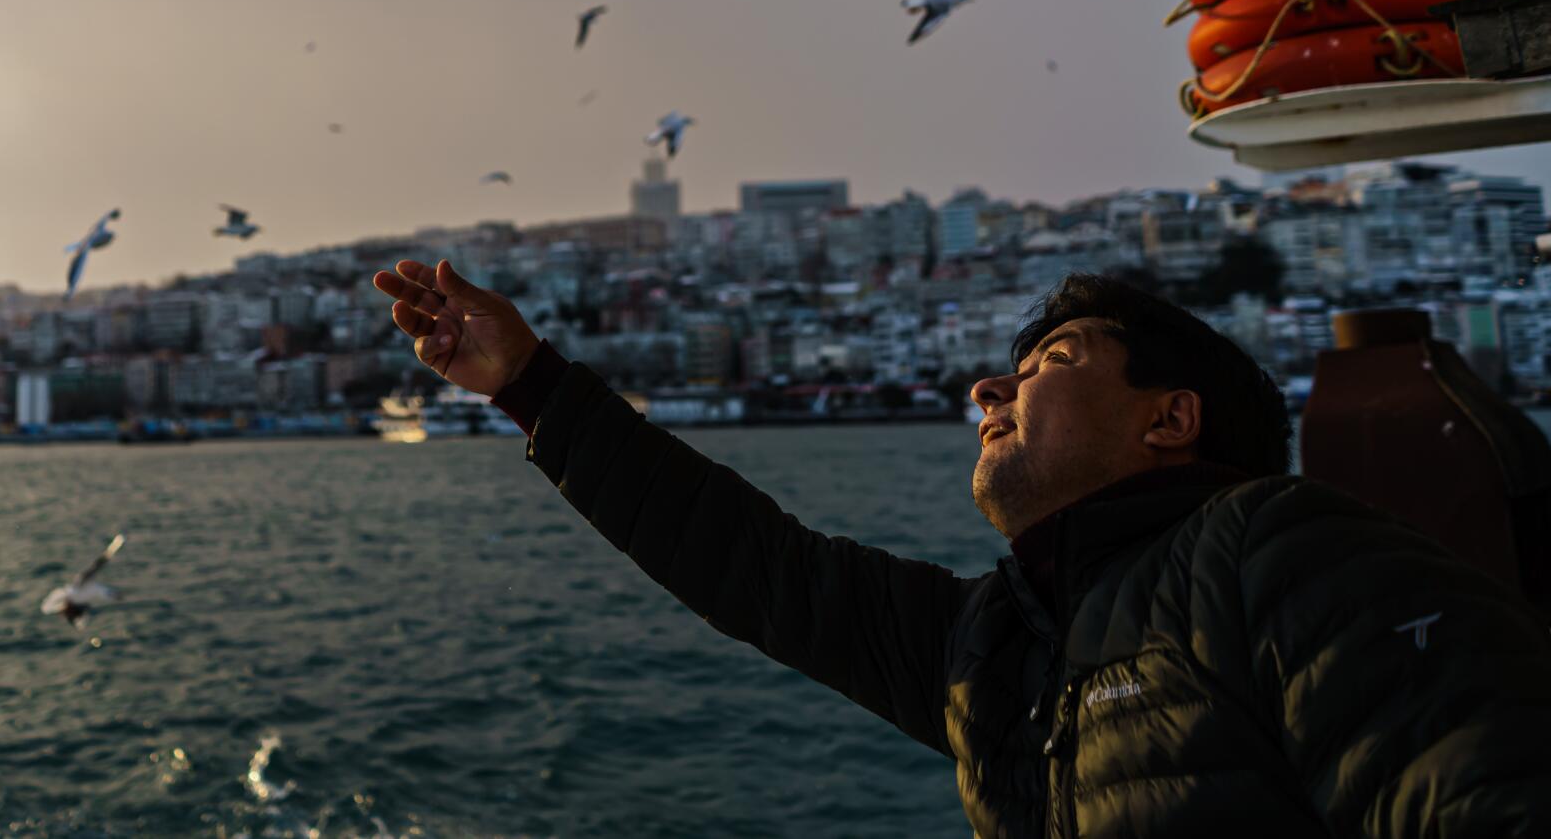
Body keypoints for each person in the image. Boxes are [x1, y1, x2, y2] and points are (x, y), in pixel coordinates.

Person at [371, 260, 1551, 835]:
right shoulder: (993, 643)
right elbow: (748, 563)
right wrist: (528, 385)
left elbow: (1475, 788)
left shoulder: (1277, 546)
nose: (991, 382)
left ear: (1168, 418)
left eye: (1050, 361)